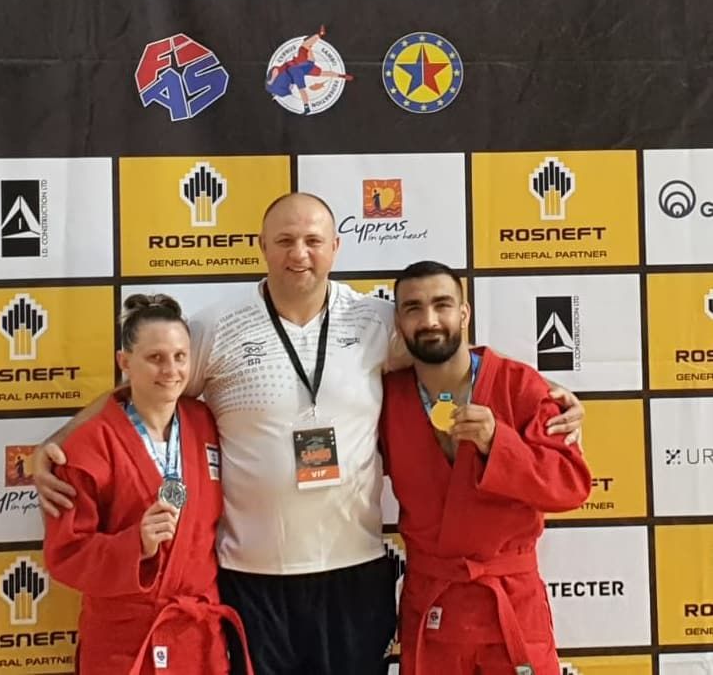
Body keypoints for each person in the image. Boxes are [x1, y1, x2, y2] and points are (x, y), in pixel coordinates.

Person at [35, 193, 584, 675]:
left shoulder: (375, 320)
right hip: (253, 573)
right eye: (285, 241)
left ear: (335, 248)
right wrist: (57, 441)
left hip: (354, 570)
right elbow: (147, 387)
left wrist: (541, 391)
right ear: (262, 247)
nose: (299, 254)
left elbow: (445, 349)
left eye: (313, 241)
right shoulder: (216, 326)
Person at [380, 261, 592, 675]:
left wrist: (499, 443)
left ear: (464, 313)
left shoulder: (519, 386)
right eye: (413, 308)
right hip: (433, 609)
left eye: (442, 305)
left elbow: (570, 485)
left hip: (510, 606)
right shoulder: (386, 397)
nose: (430, 320)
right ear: (398, 323)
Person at [42, 294, 252, 675]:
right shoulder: (88, 447)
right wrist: (135, 545)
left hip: (196, 638)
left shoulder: (205, 422)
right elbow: (66, 554)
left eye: (180, 357)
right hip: (126, 642)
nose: (170, 370)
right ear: (125, 362)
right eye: (155, 358)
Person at [265, 25, 353, 114]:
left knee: (321, 72)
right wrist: (273, 83)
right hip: (300, 65)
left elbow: (297, 89)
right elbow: (276, 74)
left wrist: (306, 107)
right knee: (305, 47)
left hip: (305, 67)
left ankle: (342, 76)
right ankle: (319, 35)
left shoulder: (286, 80)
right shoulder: (281, 76)